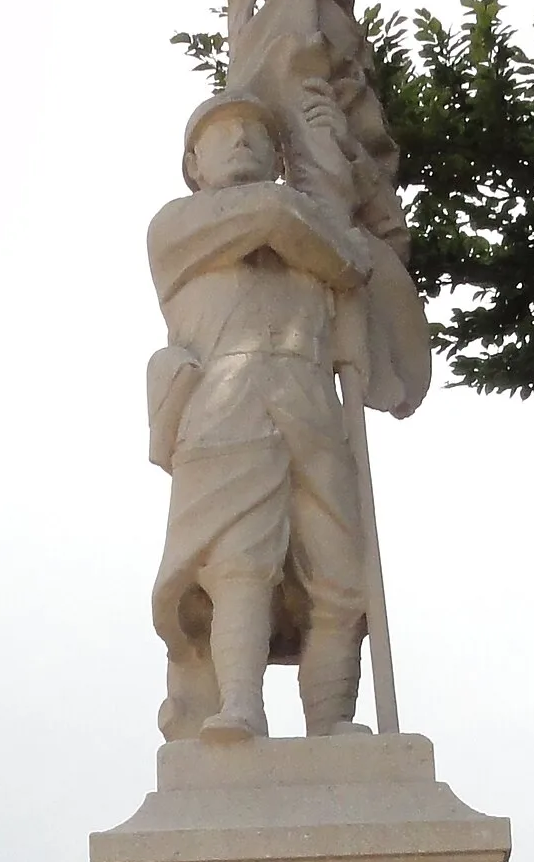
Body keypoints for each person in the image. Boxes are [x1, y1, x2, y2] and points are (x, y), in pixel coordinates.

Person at [147, 92, 380, 743]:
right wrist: (328, 239)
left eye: (255, 131)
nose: (241, 140)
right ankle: (241, 704)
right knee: (237, 565)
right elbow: (282, 218)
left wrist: (341, 244)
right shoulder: (175, 227)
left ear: (280, 154)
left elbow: (356, 271)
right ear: (194, 163)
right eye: (223, 133)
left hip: (308, 400)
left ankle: (331, 720)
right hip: (225, 401)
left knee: (342, 581)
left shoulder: (317, 221)